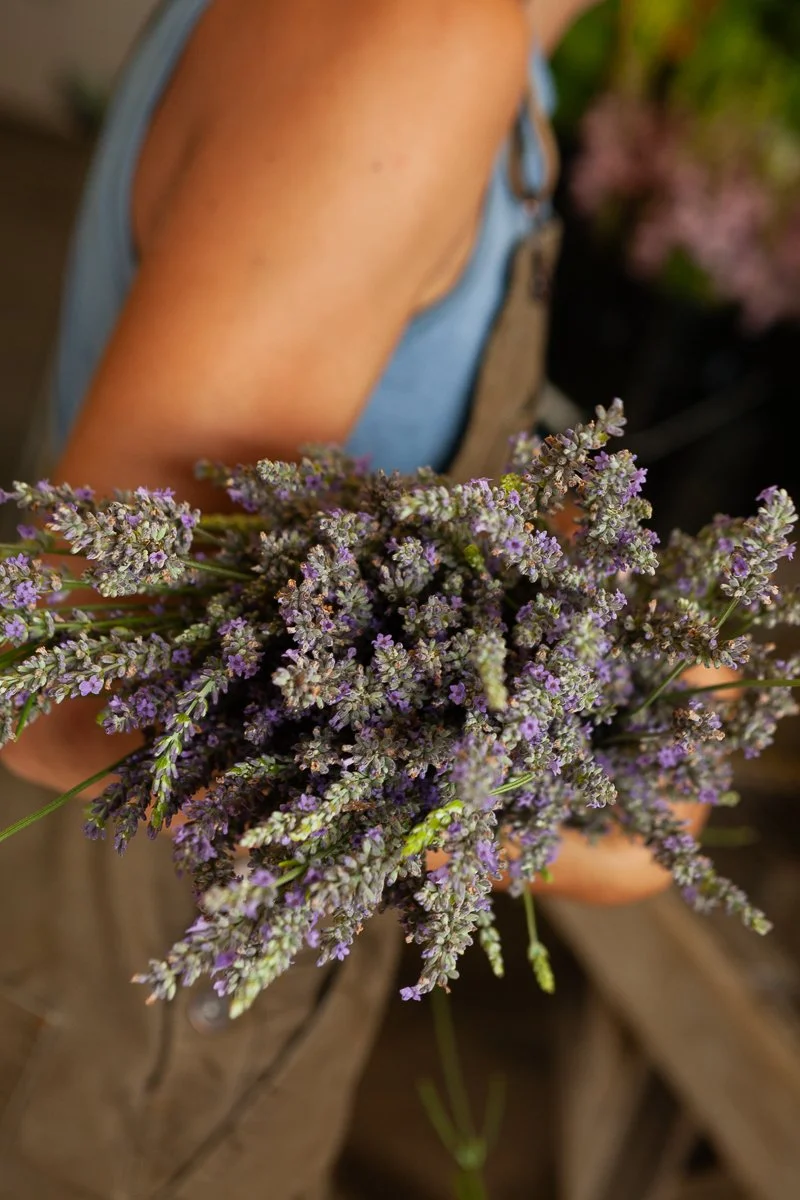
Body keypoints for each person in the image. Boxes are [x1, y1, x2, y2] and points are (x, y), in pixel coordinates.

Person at [0, 1, 704, 1196]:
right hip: (126, 1016)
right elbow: (65, 674)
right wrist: (599, 823)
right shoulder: (408, 45)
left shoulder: (463, 46)